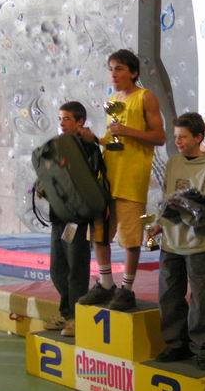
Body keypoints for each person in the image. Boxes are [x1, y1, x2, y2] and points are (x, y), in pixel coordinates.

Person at [78, 49, 165, 311]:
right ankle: (106, 284)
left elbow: (160, 137)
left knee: (130, 238)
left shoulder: (145, 97)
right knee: (100, 234)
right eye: (111, 69)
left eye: (119, 69)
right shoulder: (113, 100)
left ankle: (126, 289)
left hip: (131, 180)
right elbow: (113, 140)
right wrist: (95, 139)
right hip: (108, 178)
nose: (113, 74)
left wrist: (128, 130)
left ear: (134, 72)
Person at [152, 112, 205, 371]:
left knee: (202, 299)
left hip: (198, 244)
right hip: (171, 242)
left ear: (198, 137)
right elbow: (166, 196)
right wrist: (159, 224)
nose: (178, 142)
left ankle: (202, 348)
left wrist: (184, 208)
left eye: (183, 137)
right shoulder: (173, 163)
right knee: (169, 296)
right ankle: (175, 344)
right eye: (176, 137)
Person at [39, 102, 101, 337]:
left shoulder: (90, 149)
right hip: (58, 217)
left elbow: (92, 183)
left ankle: (76, 318)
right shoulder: (56, 147)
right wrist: (43, 186)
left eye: (66, 118)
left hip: (78, 219)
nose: (62, 123)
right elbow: (50, 174)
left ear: (80, 121)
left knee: (76, 269)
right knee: (57, 269)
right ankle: (67, 313)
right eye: (60, 119)